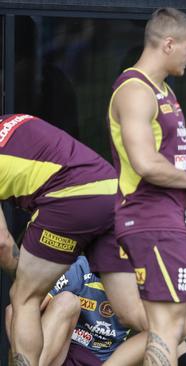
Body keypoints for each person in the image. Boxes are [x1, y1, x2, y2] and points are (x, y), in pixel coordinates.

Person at [106, 7, 186, 366]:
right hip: (148, 217)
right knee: (165, 327)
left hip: (169, 219)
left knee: (179, 325)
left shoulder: (162, 90)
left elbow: (180, 149)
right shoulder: (134, 90)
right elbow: (147, 163)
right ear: (168, 44)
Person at [0, 113, 117, 365]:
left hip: (70, 197)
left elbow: (2, 243)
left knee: (24, 298)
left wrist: (29, 282)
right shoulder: (14, 120)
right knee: (141, 315)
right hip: (111, 189)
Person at [5, 255, 186, 366]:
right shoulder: (82, 266)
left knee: (162, 329)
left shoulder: (145, 281)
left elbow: (171, 333)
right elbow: (22, 309)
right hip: (63, 354)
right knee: (60, 302)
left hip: (106, 360)